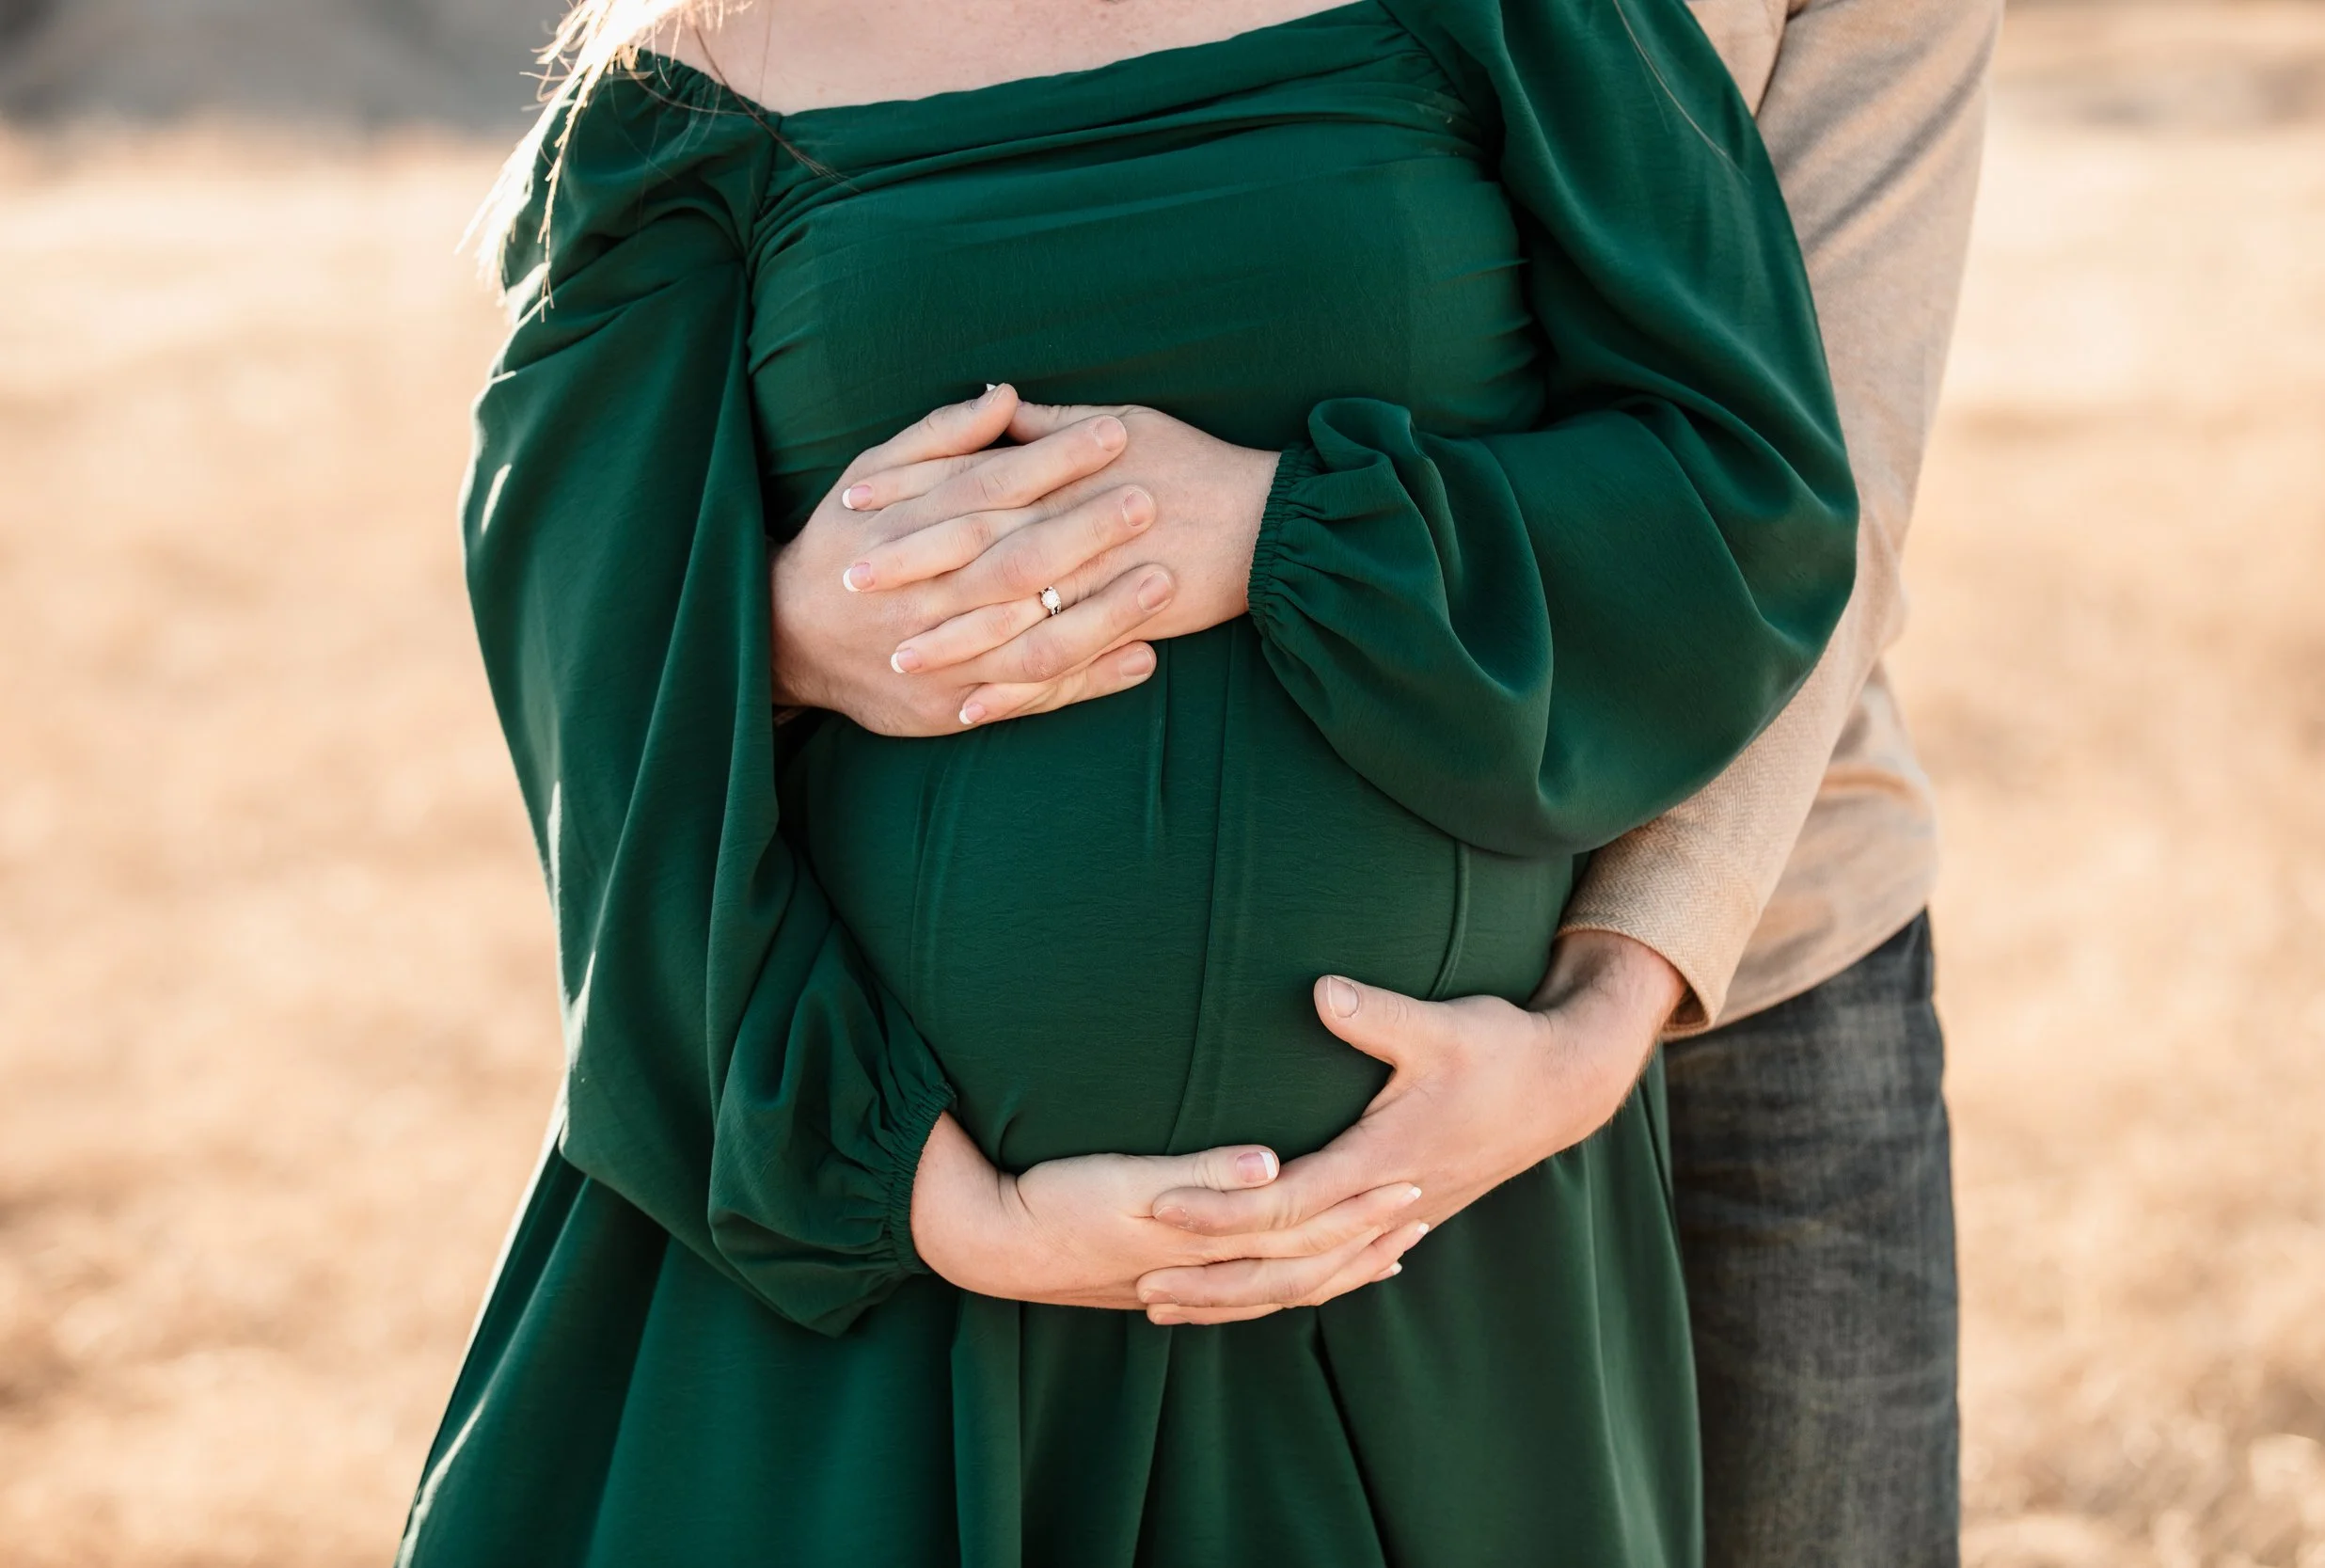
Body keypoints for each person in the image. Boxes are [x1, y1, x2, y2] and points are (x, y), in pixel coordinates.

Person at [400, 0, 1862, 1562]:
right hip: (868, 1313)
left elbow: (1744, 508)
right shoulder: (692, 86)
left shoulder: (1524, 20)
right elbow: (593, 673)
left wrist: (1283, 529)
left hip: (1421, 1267)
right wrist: (946, 1206)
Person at [759, 0, 1999, 1560]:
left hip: (1750, 958)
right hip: (991, 1129)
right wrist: (780, 632)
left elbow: (1822, 480)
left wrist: (1612, 998)